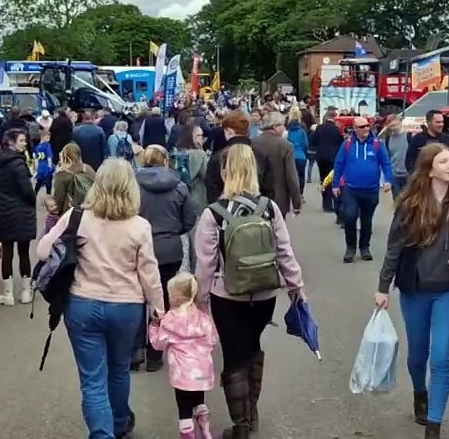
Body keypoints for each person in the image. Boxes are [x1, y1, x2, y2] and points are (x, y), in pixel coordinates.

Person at [37, 158, 165, 438]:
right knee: (119, 369)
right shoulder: (139, 226)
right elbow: (149, 272)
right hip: (127, 306)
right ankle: (120, 423)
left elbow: (43, 251)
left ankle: (102, 433)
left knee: (92, 379)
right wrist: (159, 309)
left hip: (83, 303)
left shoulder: (76, 217)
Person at [194, 144, 305, 439]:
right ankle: (250, 411)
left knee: (233, 354)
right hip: (264, 294)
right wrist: (296, 287)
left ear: (225, 171)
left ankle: (240, 425)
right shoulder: (268, 208)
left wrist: (200, 302)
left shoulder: (213, 214)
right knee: (253, 347)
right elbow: (285, 252)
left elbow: (205, 265)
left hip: (227, 295)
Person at [375, 143, 449, 437]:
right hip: (415, 289)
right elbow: (394, 247)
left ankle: (434, 423)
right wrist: (383, 286)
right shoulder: (411, 204)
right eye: (444, 161)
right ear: (430, 169)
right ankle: (420, 392)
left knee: (441, 357)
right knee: (418, 354)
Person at [134, 145, 197, 372]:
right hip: (170, 249)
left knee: (139, 297)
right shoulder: (179, 186)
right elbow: (189, 219)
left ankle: (135, 351)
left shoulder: (134, 186)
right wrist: (172, 230)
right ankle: (156, 352)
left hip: (140, 247)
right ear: (165, 161)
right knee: (164, 297)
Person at [148, 273, 219, 439]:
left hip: (182, 373)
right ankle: (206, 430)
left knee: (184, 409)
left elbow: (158, 343)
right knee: (199, 400)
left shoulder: (170, 320)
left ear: (175, 297)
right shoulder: (204, 318)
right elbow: (213, 340)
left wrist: (154, 325)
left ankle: (188, 435)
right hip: (202, 370)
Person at [332, 115, 394, 263]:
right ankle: (350, 248)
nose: (366, 129)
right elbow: (339, 164)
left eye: (367, 126)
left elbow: (386, 163)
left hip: (371, 189)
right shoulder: (347, 144)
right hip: (350, 189)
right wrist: (335, 184)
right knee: (350, 217)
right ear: (355, 129)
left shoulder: (377, 144)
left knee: (367, 220)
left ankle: (365, 247)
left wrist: (388, 180)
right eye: (362, 127)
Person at [0, 129, 37, 306]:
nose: (25, 143)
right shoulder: (18, 164)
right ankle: (26, 291)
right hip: (22, 211)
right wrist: (32, 199)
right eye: (22, 140)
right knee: (24, 253)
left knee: (7, 253)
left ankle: (7, 294)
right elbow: (27, 190)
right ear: (11, 142)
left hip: (2, 210)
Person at [250, 112, 302, 216]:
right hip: (278, 199)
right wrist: (297, 202)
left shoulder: (251, 143)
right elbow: (291, 176)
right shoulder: (286, 146)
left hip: (253, 197)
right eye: (282, 125)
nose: (284, 128)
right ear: (275, 126)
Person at [205, 111, 251, 205]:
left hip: (224, 210)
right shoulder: (257, 153)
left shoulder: (219, 157)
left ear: (229, 131)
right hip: (253, 209)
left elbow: (211, 188)